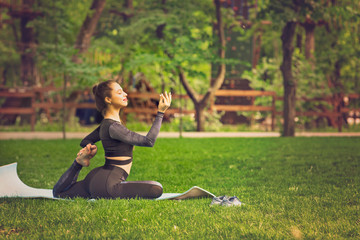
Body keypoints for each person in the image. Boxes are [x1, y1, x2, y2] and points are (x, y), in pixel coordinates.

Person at [53, 80, 172, 199]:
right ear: (108, 99)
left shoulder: (106, 124)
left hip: (95, 178)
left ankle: (77, 164)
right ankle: (81, 165)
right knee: (156, 188)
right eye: (120, 92)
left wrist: (89, 148)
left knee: (59, 193)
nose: (125, 94)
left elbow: (85, 141)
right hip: (108, 186)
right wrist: (160, 112)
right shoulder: (114, 127)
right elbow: (149, 141)